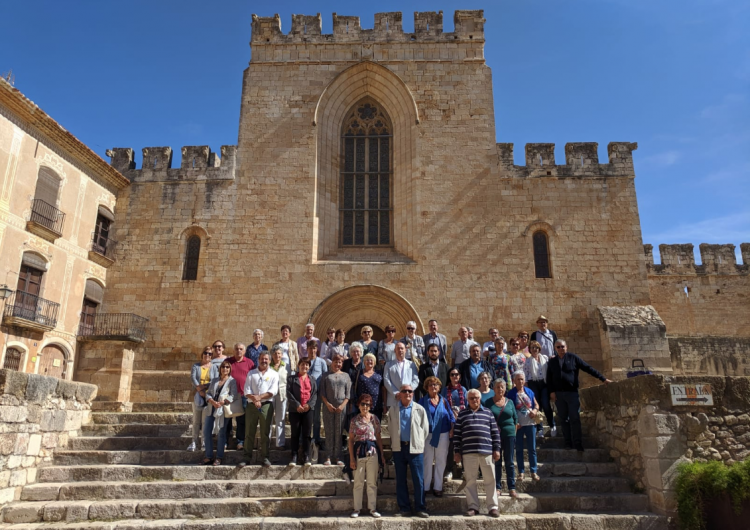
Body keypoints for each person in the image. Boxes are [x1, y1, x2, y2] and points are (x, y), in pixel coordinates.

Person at [547, 340, 612, 451]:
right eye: (558, 347)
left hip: (572, 393)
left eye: (562, 347)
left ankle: (577, 442)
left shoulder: (573, 358)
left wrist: (603, 379)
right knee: (563, 419)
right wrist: (551, 392)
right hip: (559, 395)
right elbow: (549, 378)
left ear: (566, 347)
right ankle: (568, 442)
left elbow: (587, 368)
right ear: (555, 349)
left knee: (575, 417)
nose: (560, 349)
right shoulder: (552, 362)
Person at [453, 389, 501, 518]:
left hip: (486, 452)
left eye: (476, 398)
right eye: (471, 398)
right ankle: (473, 507)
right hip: (468, 453)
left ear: (480, 399)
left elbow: (495, 432)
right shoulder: (462, 414)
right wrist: (457, 451)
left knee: (490, 480)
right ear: (468, 400)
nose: (474, 400)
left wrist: (497, 449)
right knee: (470, 481)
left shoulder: (488, 413)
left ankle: (493, 507)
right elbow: (457, 435)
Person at [388, 384, 430, 518]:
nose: (407, 393)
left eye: (410, 391)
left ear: (413, 393)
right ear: (399, 394)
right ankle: (404, 508)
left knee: (418, 479)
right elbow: (390, 427)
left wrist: (417, 442)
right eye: (404, 391)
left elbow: (425, 429)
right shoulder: (393, 410)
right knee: (400, 479)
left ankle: (420, 508)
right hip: (399, 448)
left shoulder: (420, 409)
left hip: (415, 448)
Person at [348, 393, 386, 519]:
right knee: (358, 482)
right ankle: (356, 508)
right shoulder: (354, 420)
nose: (365, 406)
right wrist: (352, 458)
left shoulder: (375, 419)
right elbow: (351, 440)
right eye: (363, 403)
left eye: (367, 404)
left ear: (371, 406)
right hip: (359, 452)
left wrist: (382, 455)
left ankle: (373, 508)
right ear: (359, 405)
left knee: (371, 482)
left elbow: (379, 438)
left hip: (372, 452)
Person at [239, 351, 279, 467]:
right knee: (249, 432)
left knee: (265, 432)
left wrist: (259, 398)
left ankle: (265, 457)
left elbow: (273, 391)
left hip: (266, 405)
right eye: (262, 359)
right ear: (258, 360)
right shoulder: (251, 373)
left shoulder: (274, 374)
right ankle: (246, 457)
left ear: (270, 361)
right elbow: (246, 390)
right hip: (251, 405)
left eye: (266, 359)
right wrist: (255, 399)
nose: (264, 361)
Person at [418, 376, 454, 498]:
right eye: (430, 385)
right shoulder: (422, 402)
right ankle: (426, 487)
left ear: (439, 388)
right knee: (427, 461)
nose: (433, 387)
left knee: (441, 460)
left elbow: (450, 415)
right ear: (426, 388)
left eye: (435, 385)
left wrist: (452, 428)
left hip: (443, 434)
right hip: (427, 434)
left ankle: (438, 487)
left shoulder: (444, 401)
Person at [201, 360, 238, 466]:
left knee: (221, 434)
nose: (225, 369)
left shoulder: (232, 381)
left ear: (230, 369)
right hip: (211, 408)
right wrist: (212, 401)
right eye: (223, 367)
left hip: (222, 410)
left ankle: (219, 457)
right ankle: (208, 456)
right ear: (220, 369)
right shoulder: (214, 380)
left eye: (227, 367)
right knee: (207, 432)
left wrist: (223, 402)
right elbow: (208, 394)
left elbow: (233, 395)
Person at [487, 378, 518, 498]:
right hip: (495, 436)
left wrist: (513, 433)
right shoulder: (488, 403)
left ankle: (512, 487)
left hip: (509, 435)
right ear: (493, 389)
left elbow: (515, 418)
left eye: (502, 387)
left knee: (509, 462)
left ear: (505, 389)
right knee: (497, 461)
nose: (500, 389)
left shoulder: (509, 402)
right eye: (498, 387)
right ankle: (498, 487)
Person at [507, 371, 540, 482]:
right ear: (514, 381)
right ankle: (521, 472)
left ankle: (533, 471)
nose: (520, 381)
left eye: (522, 379)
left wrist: (535, 410)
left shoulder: (529, 391)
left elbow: (536, 404)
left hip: (530, 424)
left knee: (532, 449)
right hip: (519, 425)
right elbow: (509, 409)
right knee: (519, 449)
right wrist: (515, 422)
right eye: (518, 379)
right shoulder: (511, 394)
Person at [320, 354, 351, 465]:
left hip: (341, 408)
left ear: (342, 364)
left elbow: (348, 394)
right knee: (329, 431)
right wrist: (327, 404)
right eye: (335, 361)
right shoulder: (325, 375)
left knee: (338, 432)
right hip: (328, 407)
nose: (337, 364)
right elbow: (322, 392)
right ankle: (328, 456)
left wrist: (342, 405)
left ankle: (338, 457)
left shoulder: (346, 376)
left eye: (340, 362)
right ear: (332, 362)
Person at [287, 357, 317, 466]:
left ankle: (306, 455)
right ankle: (294, 455)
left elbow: (314, 394)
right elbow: (289, 393)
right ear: (299, 365)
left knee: (307, 434)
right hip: (295, 410)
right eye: (302, 364)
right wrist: (297, 405)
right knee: (295, 433)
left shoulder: (312, 379)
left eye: (307, 365)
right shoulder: (291, 379)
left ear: (309, 367)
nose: (305, 367)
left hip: (308, 410)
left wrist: (309, 405)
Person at [524, 340, 553, 438]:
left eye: (536, 347)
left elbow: (550, 370)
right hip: (533, 384)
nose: (534, 349)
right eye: (532, 348)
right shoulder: (528, 361)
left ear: (539, 349)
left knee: (545, 403)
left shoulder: (544, 358)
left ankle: (552, 424)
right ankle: (539, 428)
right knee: (537, 406)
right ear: (530, 350)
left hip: (544, 383)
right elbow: (526, 375)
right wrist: (526, 387)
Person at [227, 343, 254, 451]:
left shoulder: (249, 363)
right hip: (229, 395)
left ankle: (240, 441)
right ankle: (226, 441)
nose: (239, 351)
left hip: (243, 395)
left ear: (244, 351)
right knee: (227, 418)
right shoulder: (228, 362)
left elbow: (253, 378)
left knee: (241, 420)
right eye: (237, 349)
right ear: (233, 351)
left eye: (241, 349)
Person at [383, 342, 419, 412]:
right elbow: (386, 380)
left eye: (402, 348)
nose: (400, 350)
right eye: (398, 348)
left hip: (408, 398)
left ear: (405, 350)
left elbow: (416, 380)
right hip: (394, 399)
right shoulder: (388, 364)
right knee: (394, 422)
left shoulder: (412, 364)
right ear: (395, 350)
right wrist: (396, 393)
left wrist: (407, 392)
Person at [188, 347, 212, 451]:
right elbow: (193, 378)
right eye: (206, 353)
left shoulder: (214, 367)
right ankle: (194, 442)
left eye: (210, 354)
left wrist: (204, 387)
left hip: (208, 396)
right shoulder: (196, 366)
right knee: (196, 421)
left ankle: (203, 443)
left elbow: (215, 380)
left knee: (205, 421)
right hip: (197, 395)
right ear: (202, 354)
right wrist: (200, 390)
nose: (207, 355)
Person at [306, 341, 328, 451]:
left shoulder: (322, 362)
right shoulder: (304, 361)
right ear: (307, 349)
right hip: (305, 394)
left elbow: (325, 377)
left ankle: (316, 438)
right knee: (306, 417)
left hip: (317, 393)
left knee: (316, 418)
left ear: (317, 349)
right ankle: (305, 438)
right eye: (310, 348)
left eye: (314, 348)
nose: (312, 350)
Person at [269, 344, 289, 448]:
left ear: (282, 355)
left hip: (282, 394)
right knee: (268, 419)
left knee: (280, 419)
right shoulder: (268, 366)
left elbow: (288, 380)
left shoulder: (286, 366)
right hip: (269, 395)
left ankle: (280, 443)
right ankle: (266, 442)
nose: (277, 355)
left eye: (279, 353)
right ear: (272, 355)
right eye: (275, 353)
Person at [355, 353, 384, 419]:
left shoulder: (379, 373)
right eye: (367, 360)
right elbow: (354, 387)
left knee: (376, 425)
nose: (369, 362)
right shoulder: (358, 373)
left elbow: (383, 388)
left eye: (371, 360)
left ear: (374, 362)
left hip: (377, 405)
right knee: (363, 426)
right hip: (363, 405)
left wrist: (384, 404)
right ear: (364, 362)